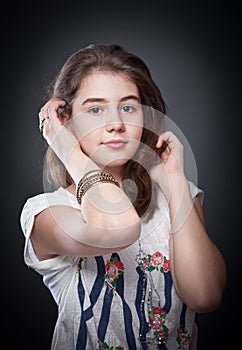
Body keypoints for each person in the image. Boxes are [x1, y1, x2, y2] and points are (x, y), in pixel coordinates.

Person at [20, 44, 227, 350]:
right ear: (67, 120)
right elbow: (118, 227)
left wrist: (175, 182)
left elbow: (205, 295)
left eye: (128, 107)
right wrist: (65, 148)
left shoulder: (178, 195)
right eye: (94, 109)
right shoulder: (49, 214)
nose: (115, 123)